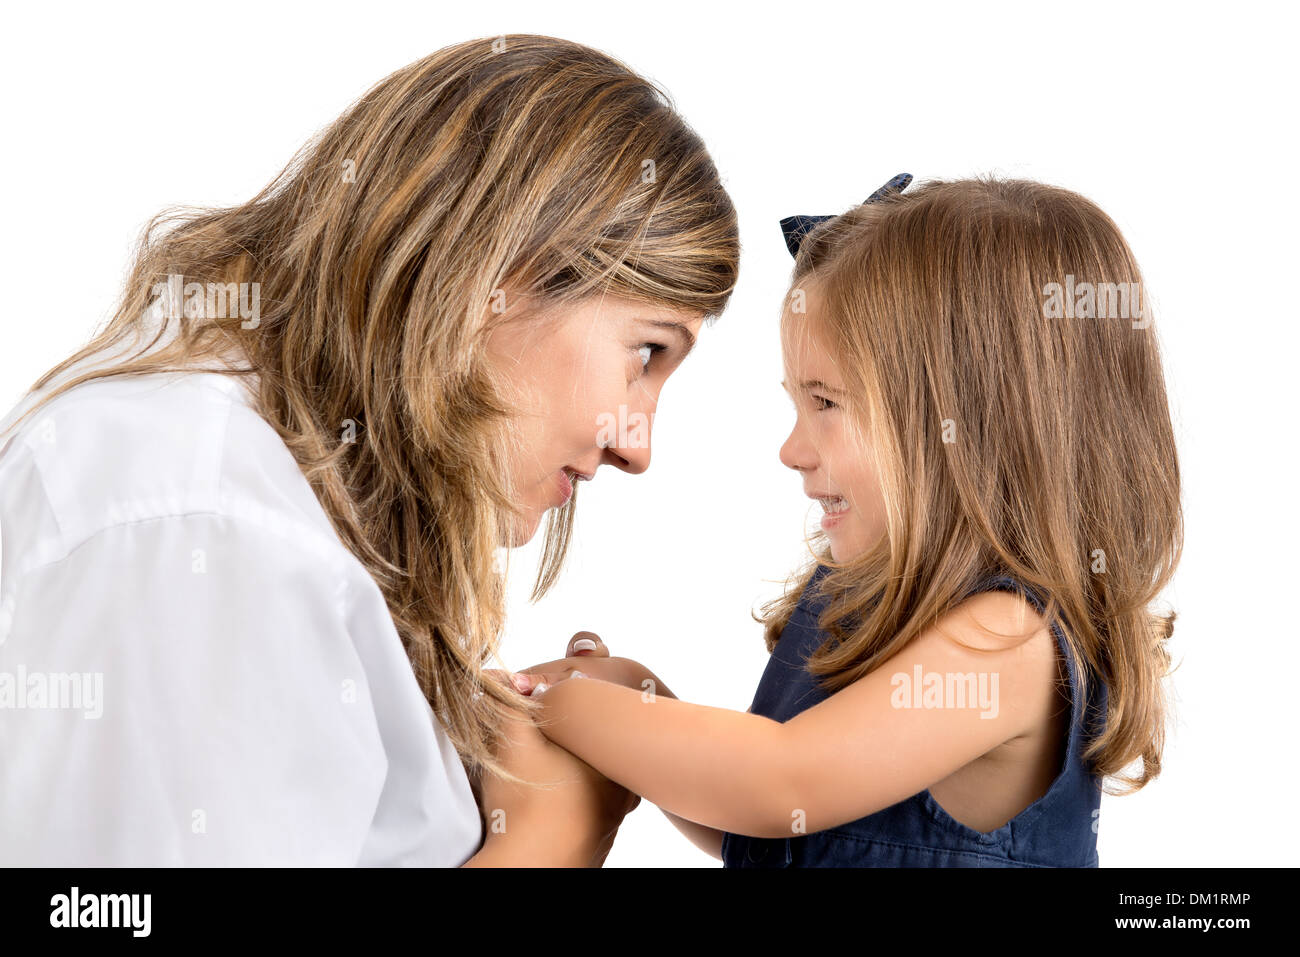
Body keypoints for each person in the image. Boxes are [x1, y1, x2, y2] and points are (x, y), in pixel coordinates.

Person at [0, 33, 738, 866]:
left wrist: (481, 767)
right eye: (646, 353)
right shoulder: (202, 520)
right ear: (497, 271)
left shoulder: (258, 506)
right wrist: (548, 834)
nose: (638, 448)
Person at [511, 175, 1183, 867]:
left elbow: (781, 782)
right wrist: (636, 692)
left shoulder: (1008, 642)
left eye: (826, 403)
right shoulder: (852, 590)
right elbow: (762, 823)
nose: (792, 450)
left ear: (974, 426)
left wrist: (565, 708)